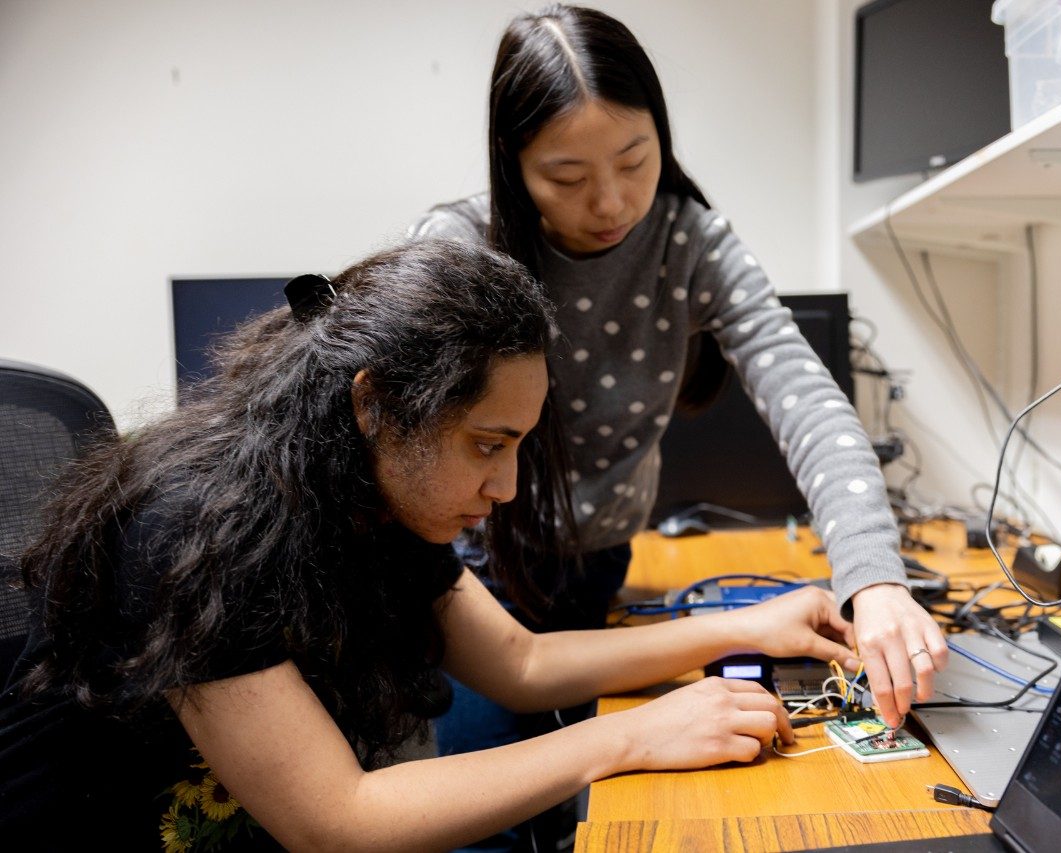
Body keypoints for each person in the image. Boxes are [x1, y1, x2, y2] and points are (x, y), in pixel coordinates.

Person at [0, 239, 862, 851]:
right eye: (487, 443)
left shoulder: (375, 495)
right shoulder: (191, 529)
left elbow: (519, 662)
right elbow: (335, 819)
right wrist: (630, 737)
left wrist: (749, 624)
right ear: (375, 406)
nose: (510, 485)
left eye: (520, 444)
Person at [409, 8, 949, 838]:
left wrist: (873, 577)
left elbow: (803, 392)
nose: (612, 201)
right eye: (565, 175)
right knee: (493, 817)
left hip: (603, 566)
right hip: (476, 585)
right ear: (512, 166)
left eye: (635, 159)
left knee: (602, 805)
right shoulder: (460, 250)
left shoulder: (689, 242)